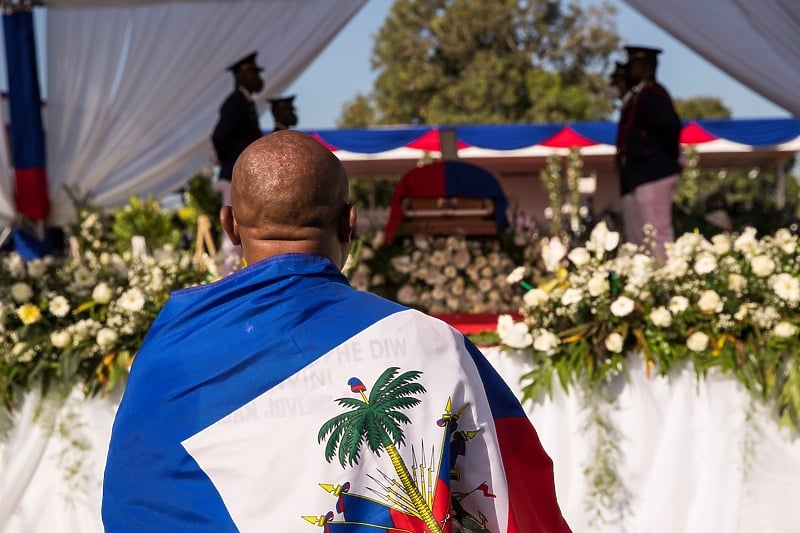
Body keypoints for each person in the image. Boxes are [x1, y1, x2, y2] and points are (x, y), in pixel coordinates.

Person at [102, 131, 571, 533]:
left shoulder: (170, 353)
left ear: (229, 226)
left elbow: (135, 501)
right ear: (351, 222)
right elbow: (515, 504)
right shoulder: (430, 344)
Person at [615, 46, 682, 259]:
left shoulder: (652, 93)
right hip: (640, 174)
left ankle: (665, 285)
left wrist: (663, 158)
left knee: (656, 234)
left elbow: (671, 127)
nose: (630, 71)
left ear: (646, 67)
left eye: (634, 65)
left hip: (653, 171)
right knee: (641, 237)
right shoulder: (640, 96)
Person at [211, 51, 265, 274]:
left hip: (240, 176)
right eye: (253, 73)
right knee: (233, 231)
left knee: (242, 231)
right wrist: (233, 161)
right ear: (241, 76)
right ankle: (228, 277)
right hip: (234, 176)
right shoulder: (235, 102)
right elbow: (219, 136)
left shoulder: (246, 103)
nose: (258, 78)